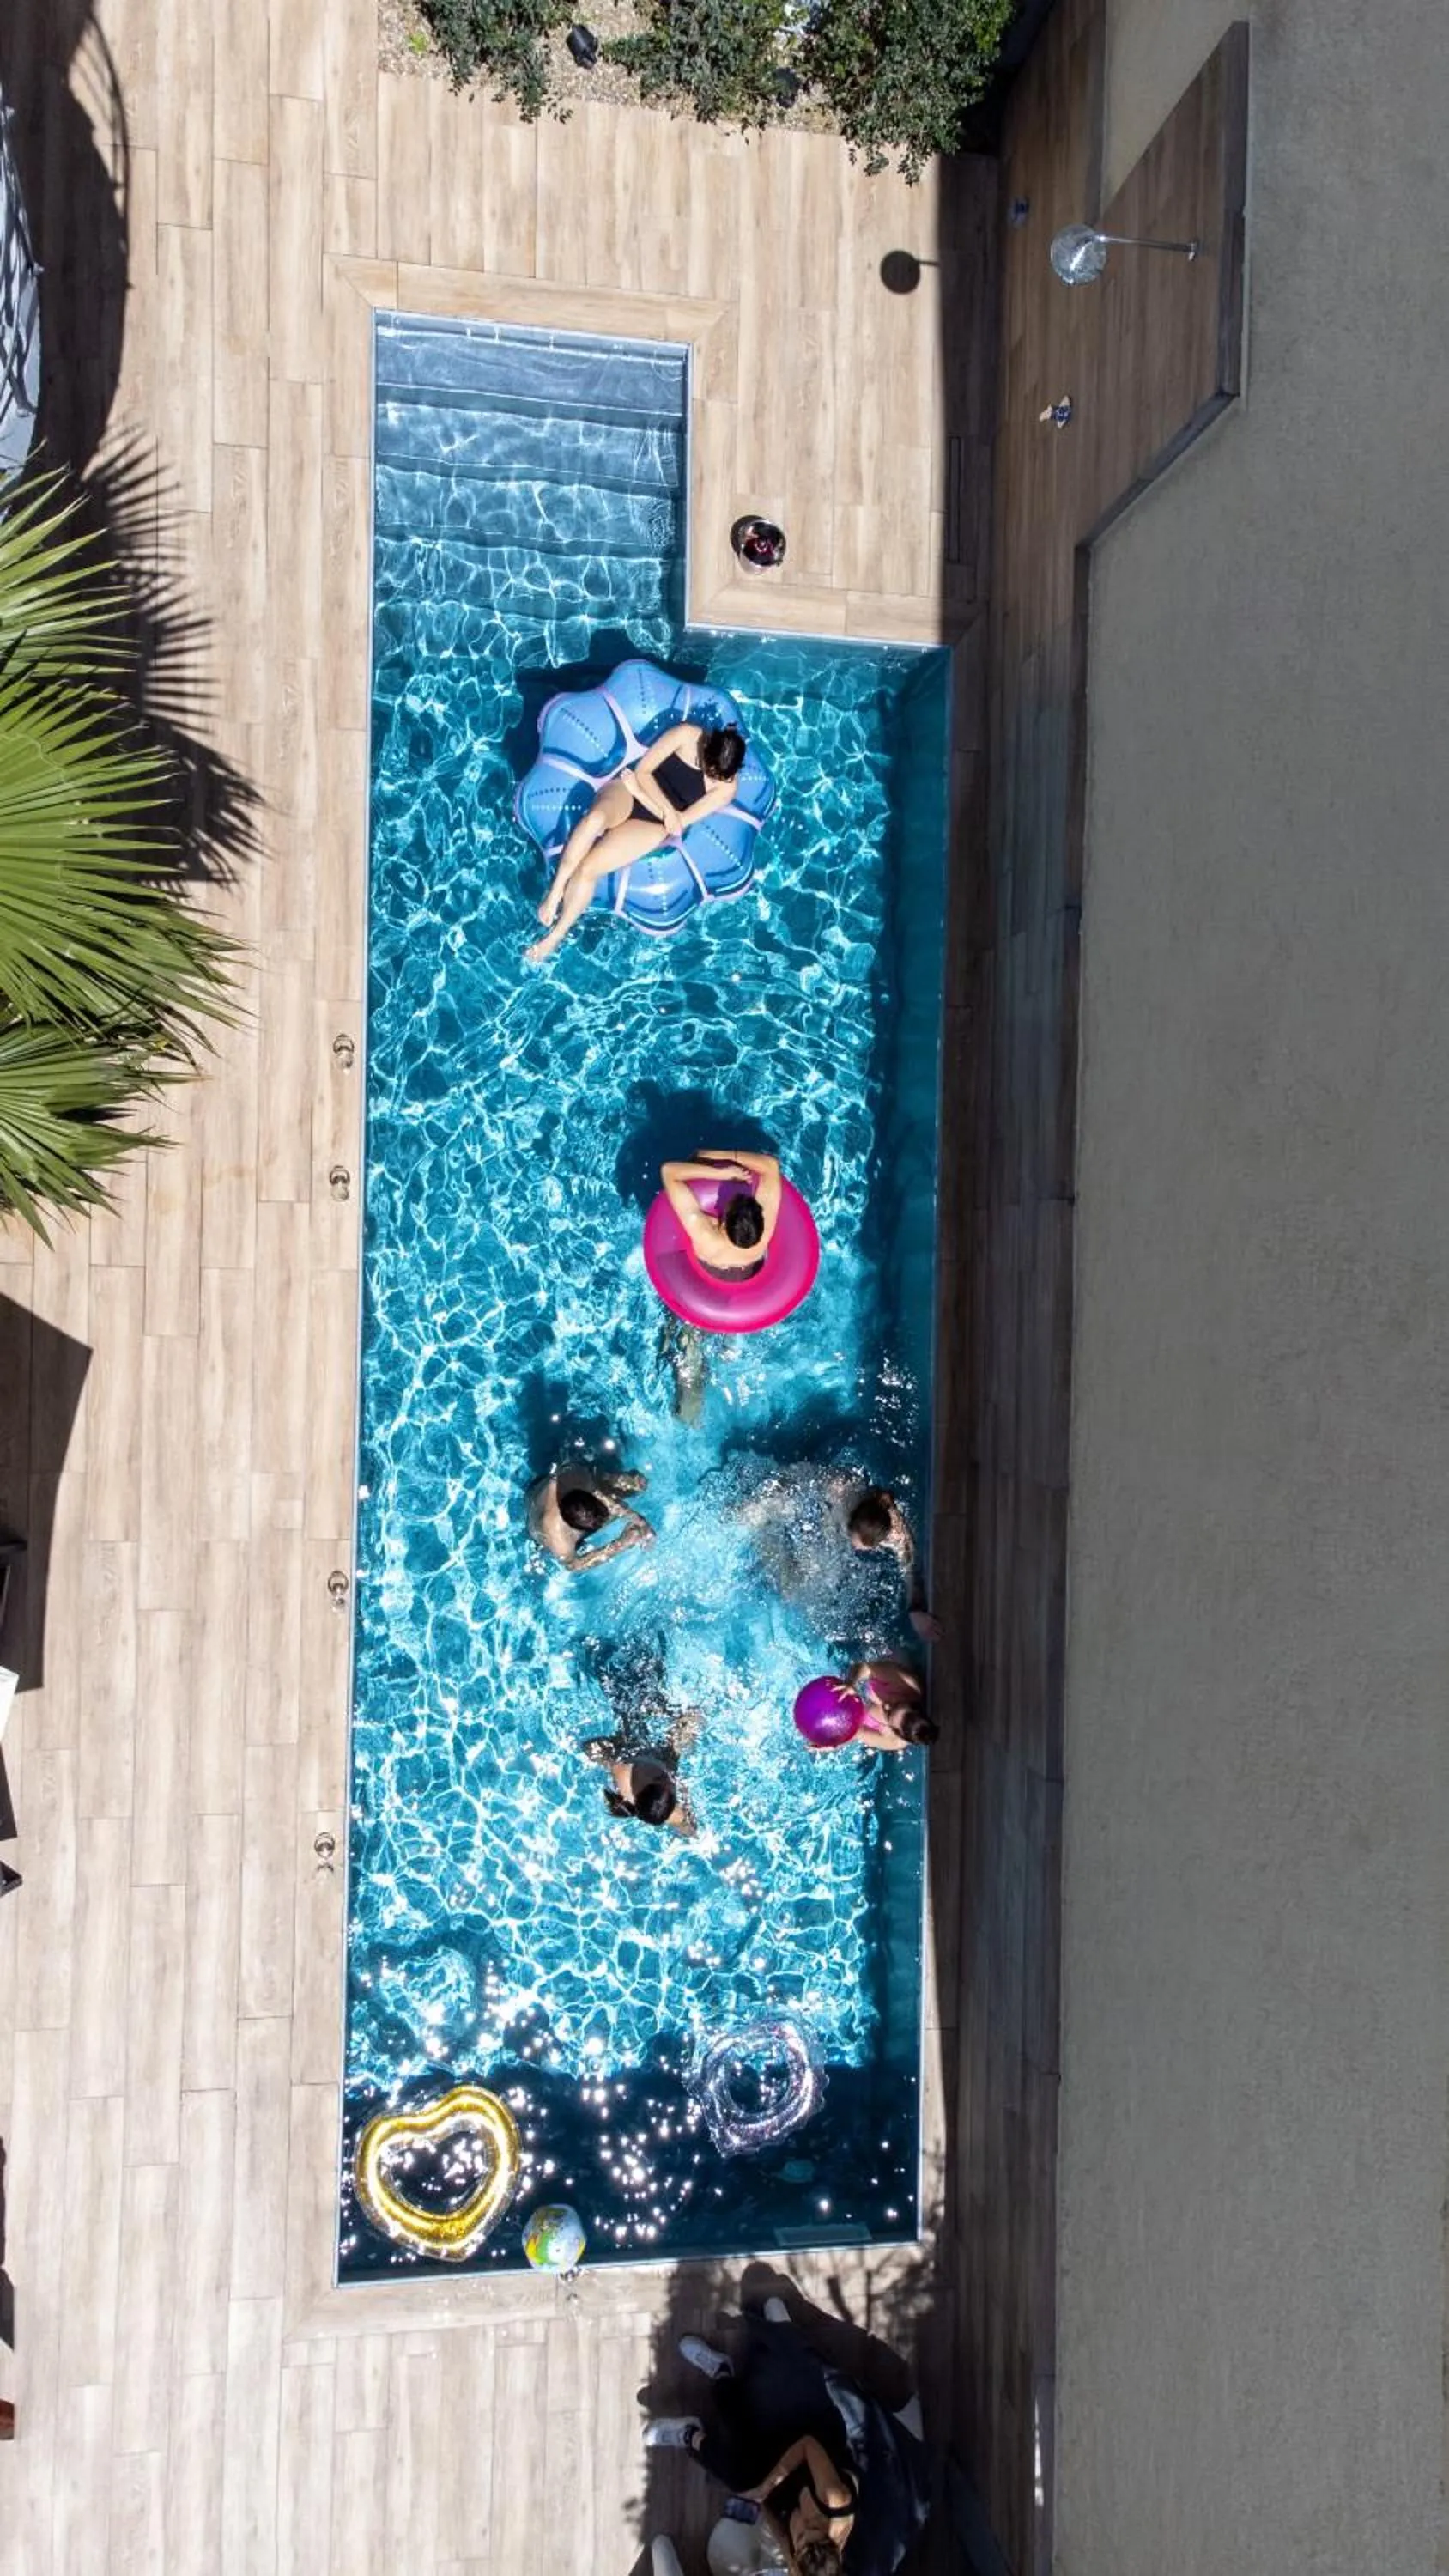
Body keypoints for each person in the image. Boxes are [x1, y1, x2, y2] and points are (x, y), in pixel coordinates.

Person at [645, 2300, 931, 2576]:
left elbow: (774, 2520)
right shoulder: (834, 2499)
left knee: (739, 2476)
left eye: (799, 2536)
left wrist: (757, 2498)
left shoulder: (798, 2558)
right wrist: (770, 2483)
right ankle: (724, 2374)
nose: (799, 2525)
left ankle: (693, 2430)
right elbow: (808, 2445)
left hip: (783, 2481)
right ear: (830, 2539)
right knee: (770, 2395)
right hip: (810, 2440)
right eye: (810, 2527)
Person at [524, 721, 748, 963]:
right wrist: (652, 800)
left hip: (652, 824)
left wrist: (645, 795)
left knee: (589, 869)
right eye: (710, 768)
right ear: (707, 748)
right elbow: (643, 771)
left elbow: (677, 824)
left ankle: (555, 936)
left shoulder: (726, 789)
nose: (712, 776)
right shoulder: (687, 735)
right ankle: (556, 890)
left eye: (719, 775)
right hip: (627, 792)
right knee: (594, 820)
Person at [834, 1482, 941, 1641]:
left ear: (878, 1544)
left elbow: (912, 1575)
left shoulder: (899, 1540)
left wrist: (914, 1612)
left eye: (859, 1547)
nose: (854, 1549)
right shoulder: (851, 1500)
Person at [660, 1149, 783, 1282]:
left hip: (709, 1271)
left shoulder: (706, 1236)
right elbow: (771, 1166)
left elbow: (668, 1171)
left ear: (724, 1224)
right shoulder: (765, 1231)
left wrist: (721, 1173)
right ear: (761, 1220)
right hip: (748, 1267)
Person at [527, 1461, 652, 1571]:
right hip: (541, 1522)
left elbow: (572, 1470)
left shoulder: (571, 1478)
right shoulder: (559, 1540)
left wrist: (631, 1515)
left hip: (553, 1485)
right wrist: (622, 1543)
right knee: (621, 1502)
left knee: (635, 1486)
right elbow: (572, 1565)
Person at [846, 1660, 937, 1752]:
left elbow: (856, 1733)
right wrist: (851, 1683)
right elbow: (865, 1667)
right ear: (911, 1701)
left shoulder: (894, 1741)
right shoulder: (904, 1682)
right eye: (896, 1705)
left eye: (888, 1714)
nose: (886, 1706)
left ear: (895, 1731)